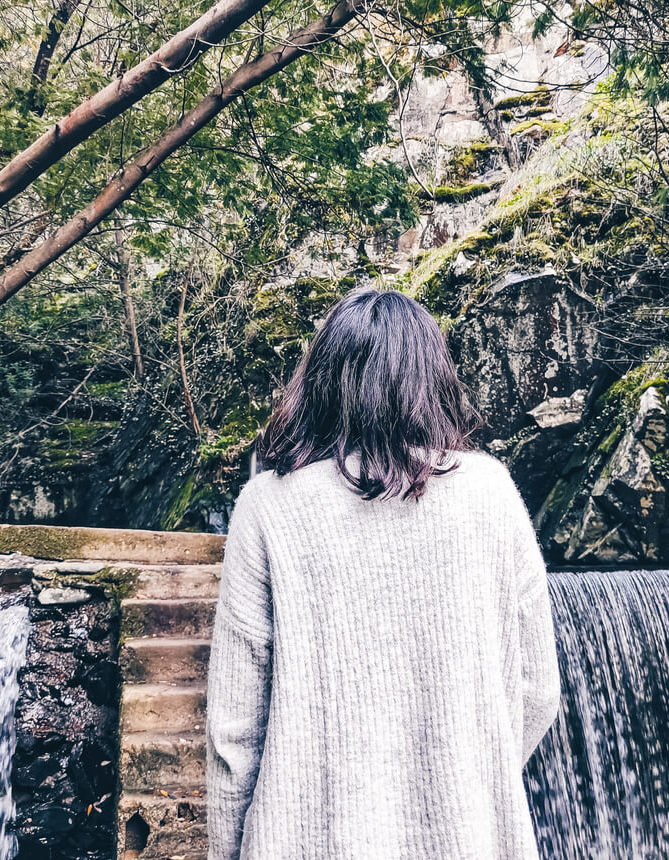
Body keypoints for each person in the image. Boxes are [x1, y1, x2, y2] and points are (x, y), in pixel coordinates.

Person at [206, 287, 561, 860]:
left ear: (322, 381)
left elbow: (234, 733)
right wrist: (463, 777)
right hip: (468, 836)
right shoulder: (492, 490)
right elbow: (539, 691)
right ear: (431, 379)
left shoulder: (266, 505)